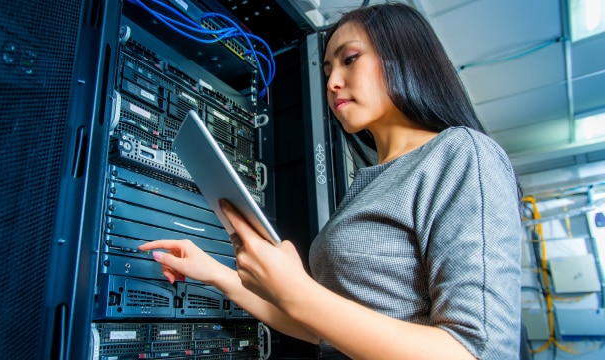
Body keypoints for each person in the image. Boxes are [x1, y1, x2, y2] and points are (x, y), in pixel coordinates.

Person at [139, 3, 522, 359]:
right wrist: (215, 273)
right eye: (326, 72)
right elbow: (322, 327)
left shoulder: (461, 153)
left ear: (406, 59)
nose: (333, 82)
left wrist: (298, 290)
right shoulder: (369, 183)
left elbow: (477, 351)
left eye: (350, 59)